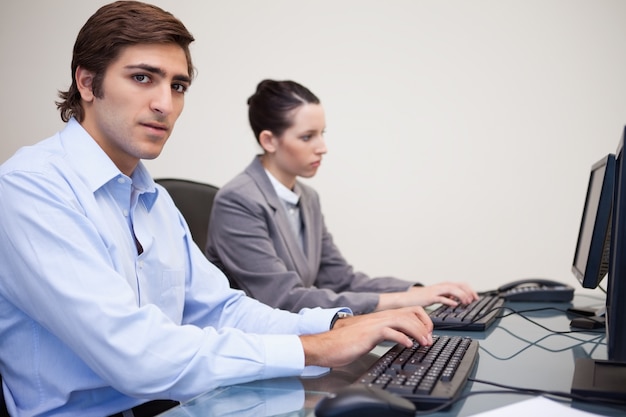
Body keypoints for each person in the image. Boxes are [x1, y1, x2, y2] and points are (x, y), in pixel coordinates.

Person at [0, 2, 435, 416]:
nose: (165, 105)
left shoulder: (153, 199)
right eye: (142, 78)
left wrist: (335, 326)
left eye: (178, 86)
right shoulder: (32, 189)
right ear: (87, 82)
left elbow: (222, 308)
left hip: (176, 402)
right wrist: (315, 347)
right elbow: (135, 354)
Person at [205, 79, 479, 315]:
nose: (322, 147)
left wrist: (418, 290)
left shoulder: (307, 198)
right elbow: (283, 299)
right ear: (269, 141)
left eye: (322, 134)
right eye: (307, 137)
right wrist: (402, 300)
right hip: (256, 348)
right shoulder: (238, 201)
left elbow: (340, 280)